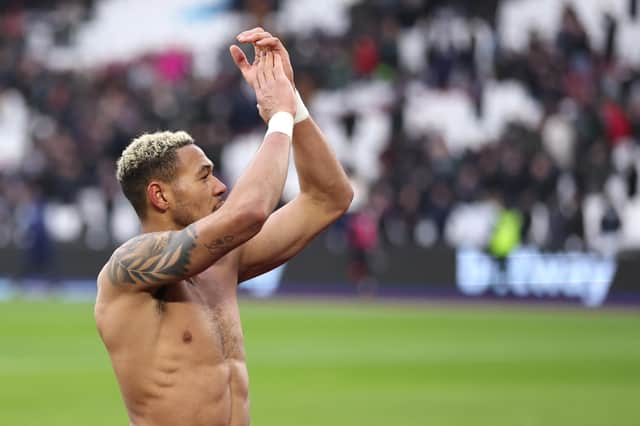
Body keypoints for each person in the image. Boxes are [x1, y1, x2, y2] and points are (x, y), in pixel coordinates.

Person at [94, 28, 353, 426]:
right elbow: (249, 212)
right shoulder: (129, 267)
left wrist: (291, 101)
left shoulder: (222, 262)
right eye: (204, 177)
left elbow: (328, 199)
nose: (220, 187)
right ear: (160, 197)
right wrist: (277, 118)